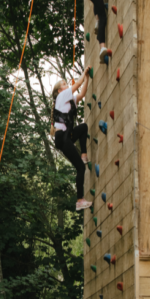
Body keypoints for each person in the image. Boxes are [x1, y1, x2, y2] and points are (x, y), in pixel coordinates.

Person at [50, 67, 93, 211]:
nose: (66, 84)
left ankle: (84, 154)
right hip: (62, 138)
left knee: (83, 127)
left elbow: (82, 94)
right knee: (80, 168)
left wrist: (87, 79)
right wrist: (84, 73)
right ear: (59, 90)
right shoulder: (61, 97)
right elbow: (77, 84)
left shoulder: (69, 100)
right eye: (64, 84)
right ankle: (80, 200)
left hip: (67, 136)